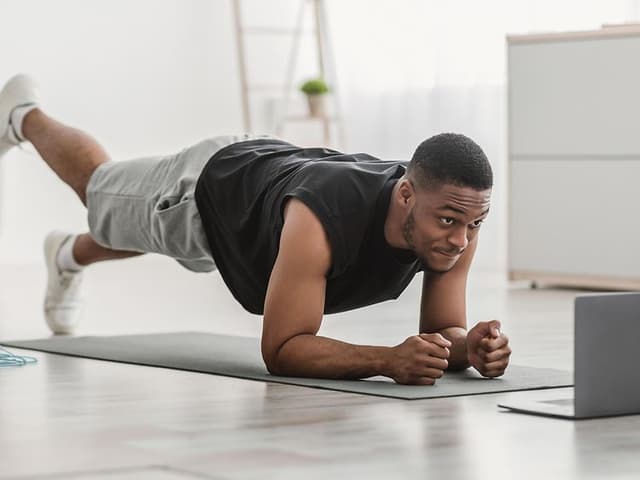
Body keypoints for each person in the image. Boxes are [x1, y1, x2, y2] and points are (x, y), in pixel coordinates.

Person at [0, 74, 511, 385]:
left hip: (265, 195)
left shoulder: (452, 212)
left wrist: (471, 348)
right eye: (450, 222)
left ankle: (67, 255)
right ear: (405, 195)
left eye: (474, 224)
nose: (461, 240)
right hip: (205, 190)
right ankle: (22, 113)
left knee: (150, 239)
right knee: (101, 194)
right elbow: (283, 348)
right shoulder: (322, 218)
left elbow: (441, 333)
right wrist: (386, 359)